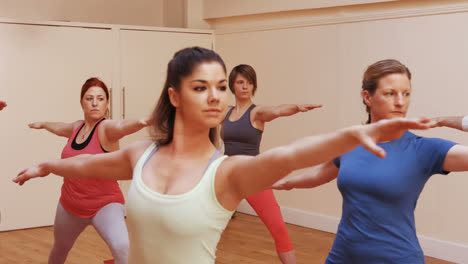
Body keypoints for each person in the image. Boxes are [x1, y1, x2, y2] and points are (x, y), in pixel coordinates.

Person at [14, 48, 432, 264]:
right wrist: (48, 166)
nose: (215, 95)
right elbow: (86, 164)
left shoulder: (227, 173)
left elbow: (287, 156)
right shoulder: (140, 154)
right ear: (174, 96)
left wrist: (348, 135)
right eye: (200, 87)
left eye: (220, 86)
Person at [272, 59, 468, 263]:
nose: (400, 102)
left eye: (406, 93)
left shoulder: (425, 149)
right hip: (343, 256)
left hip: (398, 258)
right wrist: (287, 184)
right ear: (368, 97)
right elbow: (323, 172)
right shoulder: (350, 141)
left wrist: (449, 120)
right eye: (390, 93)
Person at [28, 77, 148, 264]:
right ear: (82, 102)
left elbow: (121, 127)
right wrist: (44, 124)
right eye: (89, 98)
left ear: (107, 103)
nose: (94, 103)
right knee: (59, 248)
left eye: (100, 98)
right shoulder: (77, 127)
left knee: (122, 249)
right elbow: (61, 127)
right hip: (70, 205)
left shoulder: (107, 128)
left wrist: (141, 122)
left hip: (105, 205)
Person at [222, 64, 321, 263]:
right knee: (205, 224)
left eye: (249, 83)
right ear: (232, 85)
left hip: (253, 177)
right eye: (240, 82)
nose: (245, 87)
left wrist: (295, 108)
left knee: (279, 230)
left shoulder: (256, 112)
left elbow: (276, 110)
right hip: (227, 176)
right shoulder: (225, 112)